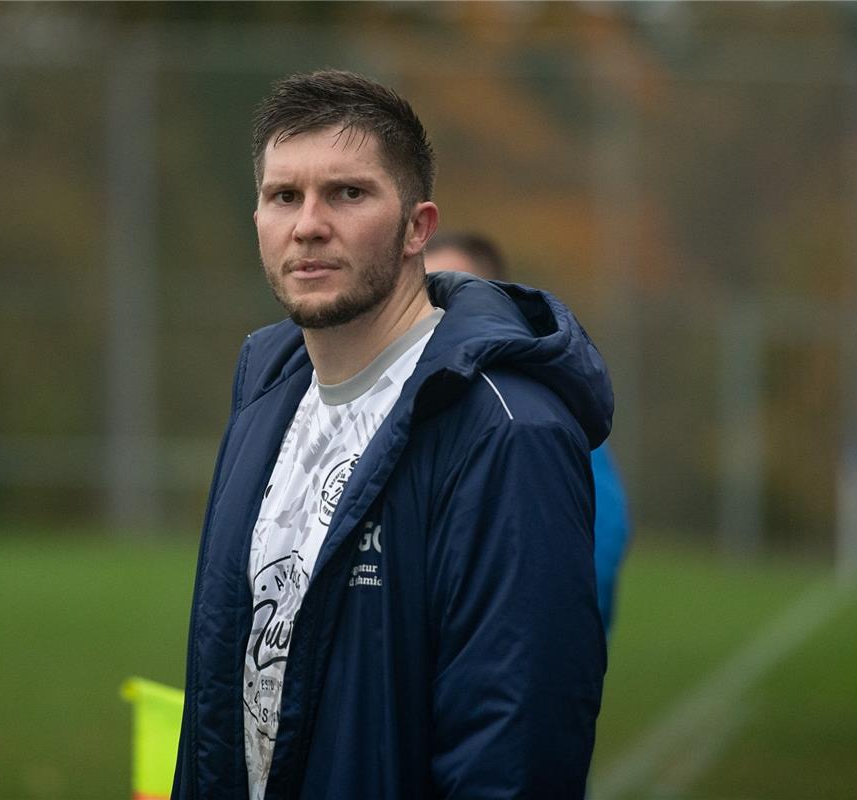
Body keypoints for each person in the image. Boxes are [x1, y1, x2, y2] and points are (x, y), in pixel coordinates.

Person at [173, 70, 612, 799]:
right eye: (284, 196)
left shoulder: (506, 427)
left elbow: (513, 750)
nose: (308, 223)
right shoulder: (262, 394)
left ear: (417, 227)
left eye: (347, 193)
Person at [426, 232, 632, 633]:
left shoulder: (540, 413)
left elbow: (596, 552)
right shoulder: (405, 404)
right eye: (428, 291)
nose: (437, 307)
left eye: (455, 287)